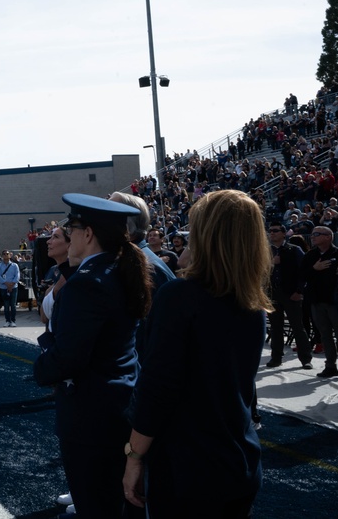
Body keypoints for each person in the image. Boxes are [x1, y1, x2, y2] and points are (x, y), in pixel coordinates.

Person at [123, 190, 271, 517]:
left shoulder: (180, 296)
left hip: (188, 466)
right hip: (240, 460)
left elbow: (157, 388)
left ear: (207, 235)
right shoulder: (254, 304)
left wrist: (133, 457)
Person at [34, 194, 152, 518]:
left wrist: (41, 367)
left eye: (71, 228)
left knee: (98, 507)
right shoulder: (117, 272)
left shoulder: (86, 284)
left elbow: (69, 357)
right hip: (117, 405)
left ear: (88, 234)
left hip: (91, 417)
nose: (66, 236)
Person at [265, 223, 312, 369]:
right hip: (272, 293)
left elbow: (304, 272)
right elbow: (259, 270)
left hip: (291, 293)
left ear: (284, 233)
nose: (272, 233)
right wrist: (272, 263)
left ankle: (305, 359)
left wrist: (299, 291)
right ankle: (276, 357)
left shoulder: (294, 250)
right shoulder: (266, 251)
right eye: (270, 231)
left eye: (275, 231)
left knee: (298, 327)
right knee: (275, 327)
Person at [304, 226, 338, 377]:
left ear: (328, 237)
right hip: (317, 302)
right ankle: (330, 366)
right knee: (325, 335)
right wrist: (315, 268)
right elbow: (302, 276)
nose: (313, 237)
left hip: (336, 304)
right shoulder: (310, 256)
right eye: (312, 234)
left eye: (316, 234)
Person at [0, 250, 20, 327]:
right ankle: (7, 320)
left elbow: (17, 275)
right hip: (3, 287)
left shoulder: (14, 265)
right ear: (2, 256)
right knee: (6, 305)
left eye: (7, 254)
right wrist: (6, 284)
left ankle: (13, 320)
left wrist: (12, 284)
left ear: (10, 255)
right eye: (4, 254)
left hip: (13, 287)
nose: (5, 255)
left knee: (13, 304)